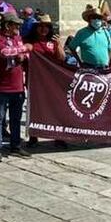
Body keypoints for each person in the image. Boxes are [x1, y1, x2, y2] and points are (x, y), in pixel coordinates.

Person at [0, 12, 31, 161]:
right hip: (1, 85)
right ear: (7, 25)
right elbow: (3, 52)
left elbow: (25, 55)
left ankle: (15, 146)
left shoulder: (18, 38)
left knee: (16, 118)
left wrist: (23, 55)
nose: (18, 27)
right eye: (15, 25)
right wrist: (23, 49)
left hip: (17, 85)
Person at [26, 14, 67, 149]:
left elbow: (62, 58)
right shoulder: (30, 42)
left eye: (47, 27)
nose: (44, 29)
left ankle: (58, 136)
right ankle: (33, 136)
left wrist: (59, 44)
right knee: (34, 107)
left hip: (52, 80)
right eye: (41, 26)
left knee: (56, 108)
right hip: (35, 80)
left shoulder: (53, 42)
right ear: (36, 28)